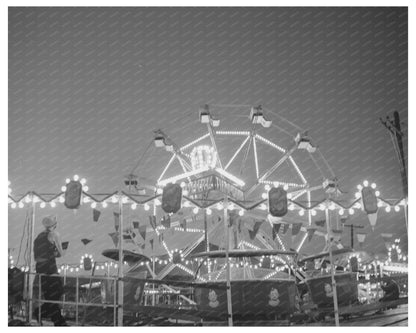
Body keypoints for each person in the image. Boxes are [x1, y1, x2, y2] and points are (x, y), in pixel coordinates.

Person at [33, 215, 67, 326]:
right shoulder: (54, 234)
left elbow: (38, 255)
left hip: (40, 269)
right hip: (50, 268)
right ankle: (43, 314)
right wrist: (57, 252)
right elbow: (61, 253)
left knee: (49, 296)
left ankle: (56, 320)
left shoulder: (38, 236)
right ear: (55, 225)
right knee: (58, 292)